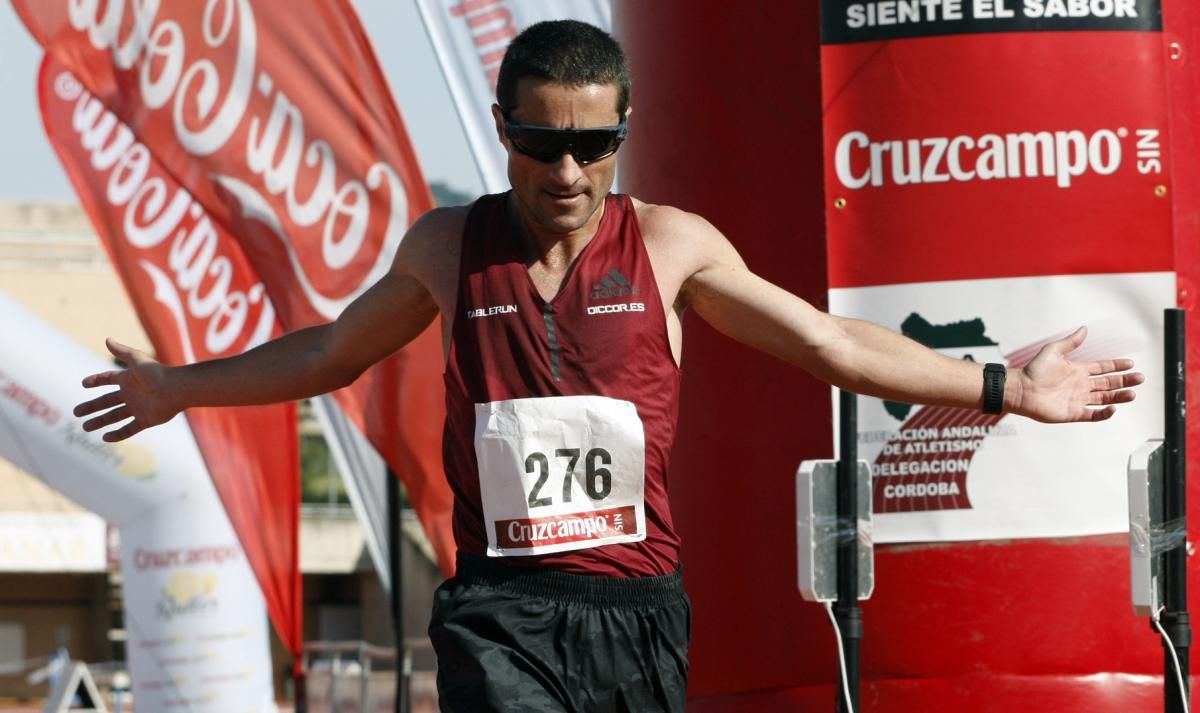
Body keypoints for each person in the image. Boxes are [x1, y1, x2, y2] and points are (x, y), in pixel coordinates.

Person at [74, 19, 1143, 713]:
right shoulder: (448, 248)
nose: (571, 171)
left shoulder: (675, 244)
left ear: (624, 135)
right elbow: (329, 350)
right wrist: (180, 385)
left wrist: (1009, 387)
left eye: (595, 145)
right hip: (499, 606)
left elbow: (830, 342)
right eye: (544, 148)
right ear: (506, 138)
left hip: (637, 613)